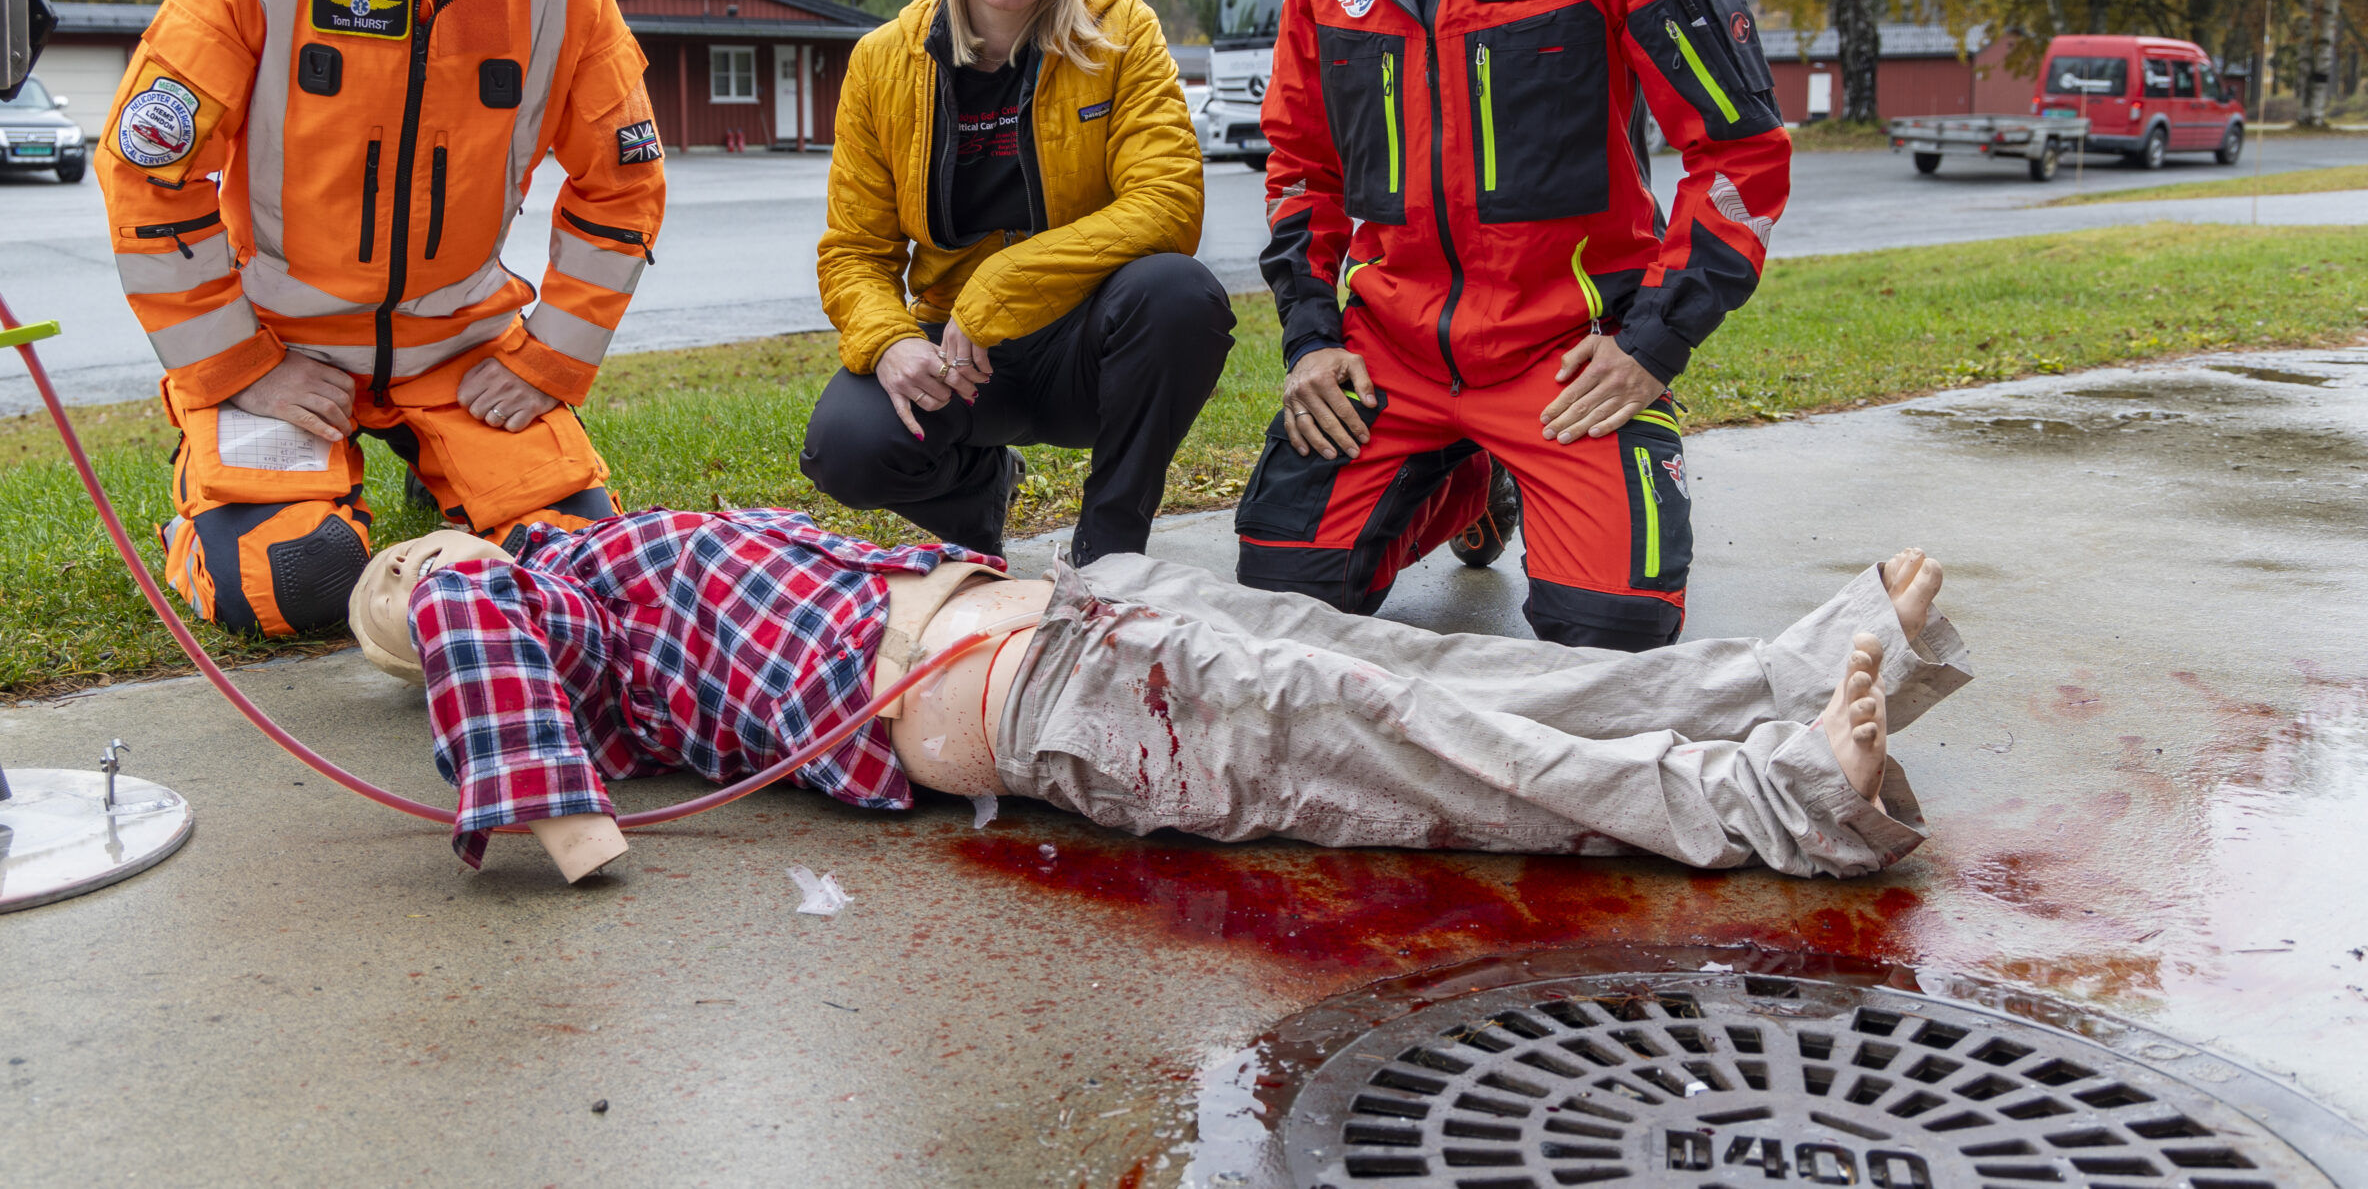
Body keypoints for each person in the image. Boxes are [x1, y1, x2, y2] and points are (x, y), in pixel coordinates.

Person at [348, 512, 1967, 885]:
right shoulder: (540, 630)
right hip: (1064, 700)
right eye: (400, 595)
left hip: (1090, 604)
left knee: (1440, 672)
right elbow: (482, 637)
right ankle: (1788, 800)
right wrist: (556, 814)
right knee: (1428, 751)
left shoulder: (601, 552)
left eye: (417, 549)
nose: (428, 566)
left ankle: (1797, 670)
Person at [1236, 0, 1794, 648]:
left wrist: (1650, 344)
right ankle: (1467, 477)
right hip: (1392, 354)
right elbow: (1300, 170)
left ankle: (1535, 461)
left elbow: (1741, 150)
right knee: (1280, 595)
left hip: (1565, 353)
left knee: (1612, 632)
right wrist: (1313, 339)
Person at [95, 0, 665, 639]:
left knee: (577, 568)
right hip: (284, 346)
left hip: (462, 351)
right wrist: (240, 365)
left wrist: (548, 362)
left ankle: (437, 465)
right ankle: (218, 509)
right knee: (299, 584)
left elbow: (625, 183)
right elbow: (148, 175)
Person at [799, 0, 1234, 565]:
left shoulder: (1120, 29)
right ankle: (980, 493)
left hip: (1088, 348)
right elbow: (856, 253)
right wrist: (890, 339)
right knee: (846, 445)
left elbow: (1167, 202)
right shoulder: (882, 61)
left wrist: (1003, 285)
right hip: (960, 359)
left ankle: (1110, 550)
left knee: (1178, 295)